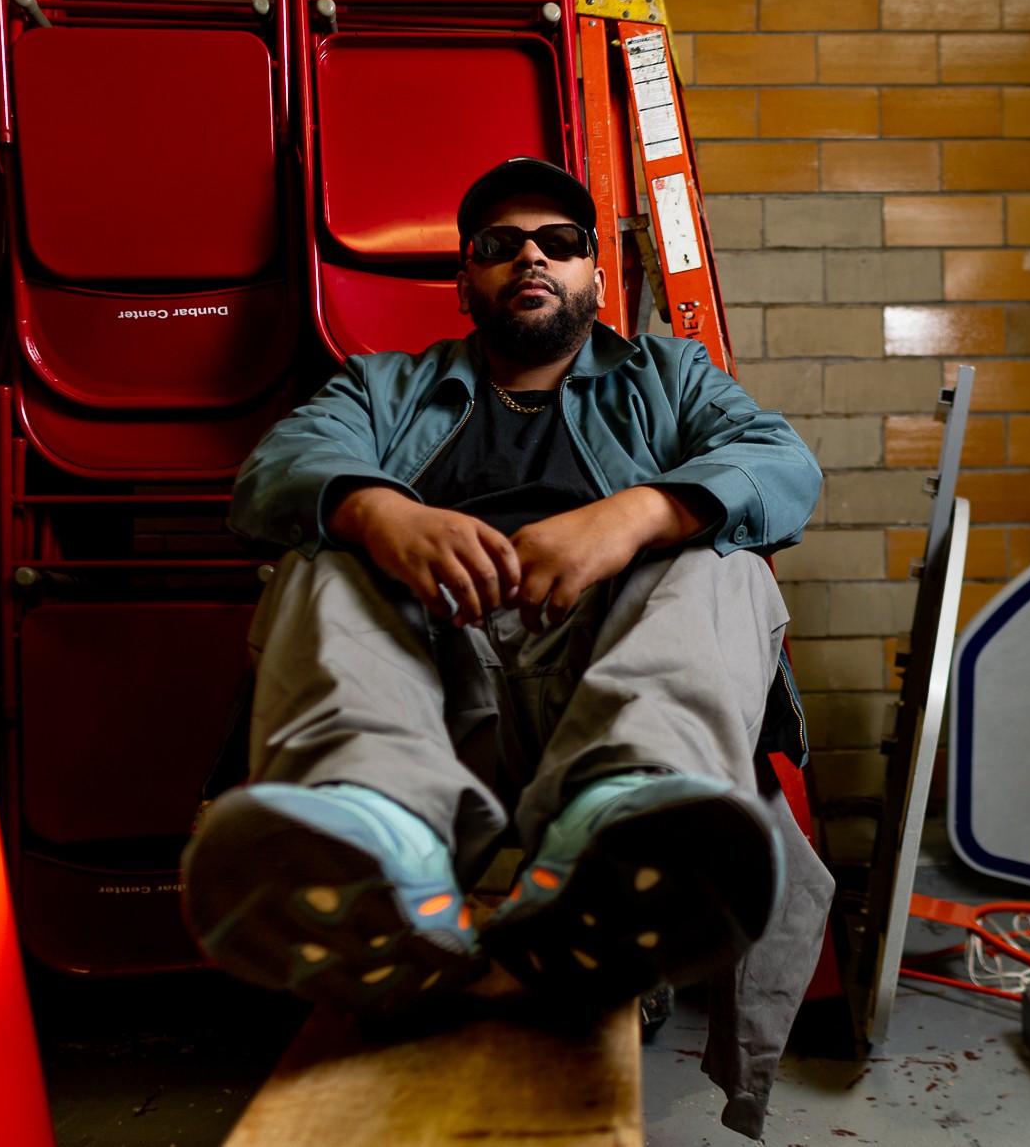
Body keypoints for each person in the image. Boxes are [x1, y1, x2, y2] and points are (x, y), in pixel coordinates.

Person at [182, 157, 834, 1140]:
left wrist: (636, 513)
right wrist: (379, 512)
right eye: (499, 245)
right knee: (321, 557)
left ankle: (619, 819)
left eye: (559, 242)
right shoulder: (385, 387)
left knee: (724, 562)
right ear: (465, 281)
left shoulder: (669, 378)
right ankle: (381, 842)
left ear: (595, 277)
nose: (531, 257)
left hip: (615, 682)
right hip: (431, 689)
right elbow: (272, 473)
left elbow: (784, 465)